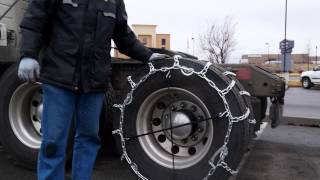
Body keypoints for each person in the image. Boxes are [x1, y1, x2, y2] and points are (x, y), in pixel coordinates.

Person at [17, 0, 168, 179]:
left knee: (88, 139)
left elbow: (124, 37)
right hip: (59, 78)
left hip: (93, 84)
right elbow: (35, 20)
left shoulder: (114, 2)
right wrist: (28, 54)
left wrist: (149, 55)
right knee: (53, 142)